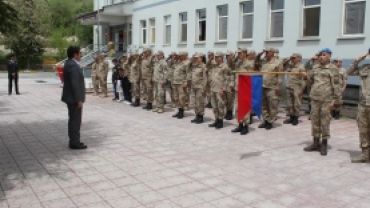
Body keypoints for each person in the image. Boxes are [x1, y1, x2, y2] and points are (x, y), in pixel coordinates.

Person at [301, 48, 340, 156]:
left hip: (327, 100)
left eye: (323, 55)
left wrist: (336, 101)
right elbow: (311, 82)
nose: (321, 57)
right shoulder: (316, 67)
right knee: (315, 120)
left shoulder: (333, 69)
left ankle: (324, 144)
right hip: (315, 99)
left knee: (325, 121)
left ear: (329, 56)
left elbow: (337, 86)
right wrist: (306, 77)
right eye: (320, 55)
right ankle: (315, 142)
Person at [61, 46, 87, 150]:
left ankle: (74, 140)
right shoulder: (73, 66)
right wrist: (78, 99)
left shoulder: (69, 63)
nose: (80, 56)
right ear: (75, 54)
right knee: (75, 121)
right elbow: (75, 84)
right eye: (79, 53)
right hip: (73, 98)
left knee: (73, 120)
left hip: (70, 97)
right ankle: (75, 142)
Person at [347, 52, 370, 163]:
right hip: (363, 104)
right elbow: (349, 72)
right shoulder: (364, 68)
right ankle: (365, 154)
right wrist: (358, 60)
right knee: (363, 129)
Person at [255, 48, 283, 130]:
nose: (265, 53)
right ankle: (265, 120)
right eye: (265, 52)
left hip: (272, 87)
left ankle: (270, 122)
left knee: (272, 105)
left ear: (272, 53)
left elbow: (280, 76)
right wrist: (259, 55)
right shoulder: (263, 61)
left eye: (267, 52)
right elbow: (256, 62)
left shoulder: (278, 62)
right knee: (264, 105)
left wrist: (278, 87)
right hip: (263, 86)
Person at [231, 47, 255, 135]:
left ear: (245, 53)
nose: (239, 55)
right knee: (237, 108)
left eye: (240, 53)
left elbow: (251, 77)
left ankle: (246, 126)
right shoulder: (239, 63)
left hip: (245, 88)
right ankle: (240, 124)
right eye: (238, 53)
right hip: (238, 88)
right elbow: (232, 65)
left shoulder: (249, 64)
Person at [282, 53, 306, 126]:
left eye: (294, 58)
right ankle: (291, 117)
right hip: (289, 87)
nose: (292, 59)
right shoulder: (290, 66)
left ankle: (295, 118)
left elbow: (304, 80)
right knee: (290, 104)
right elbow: (282, 65)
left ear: (299, 58)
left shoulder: (301, 67)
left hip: (297, 88)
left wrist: (301, 90)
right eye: (292, 58)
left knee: (296, 104)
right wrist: (287, 59)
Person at [208, 52, 230, 129]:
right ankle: (216, 120)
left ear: (222, 57)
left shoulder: (225, 66)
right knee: (214, 106)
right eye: (216, 57)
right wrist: (209, 60)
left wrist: (223, 89)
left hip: (220, 89)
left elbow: (227, 79)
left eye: (218, 57)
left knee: (220, 106)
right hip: (213, 88)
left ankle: (220, 121)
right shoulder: (214, 65)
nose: (216, 58)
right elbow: (207, 67)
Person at [190, 52, 208, 124]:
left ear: (201, 58)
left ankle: (200, 117)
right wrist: (193, 58)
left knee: (200, 102)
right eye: (196, 58)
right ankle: (197, 115)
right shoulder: (195, 66)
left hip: (200, 87)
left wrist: (204, 88)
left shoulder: (204, 66)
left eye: (198, 58)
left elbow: (205, 78)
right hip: (194, 86)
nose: (196, 59)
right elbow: (189, 65)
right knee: (195, 102)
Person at [172, 51, 189, 119]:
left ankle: (181, 112)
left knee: (181, 98)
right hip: (176, 82)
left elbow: (188, 74)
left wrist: (186, 83)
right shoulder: (178, 62)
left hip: (181, 83)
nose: (179, 57)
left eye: (180, 55)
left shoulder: (187, 63)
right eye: (179, 56)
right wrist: (175, 59)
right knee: (176, 97)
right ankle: (179, 110)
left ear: (185, 56)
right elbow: (173, 67)